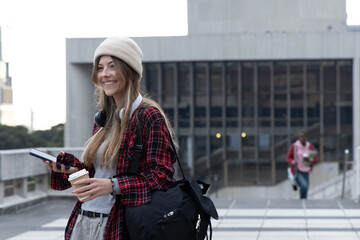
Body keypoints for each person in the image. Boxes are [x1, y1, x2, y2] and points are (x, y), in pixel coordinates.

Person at [43, 36, 177, 240]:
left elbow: (162, 175)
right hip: (83, 220)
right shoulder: (104, 118)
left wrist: (114, 185)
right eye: (100, 67)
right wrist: (73, 170)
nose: (104, 74)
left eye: (112, 66)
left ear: (129, 71)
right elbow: (99, 172)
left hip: (117, 225)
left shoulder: (149, 116)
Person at [286, 130, 319, 199]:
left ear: (306, 138)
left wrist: (310, 159)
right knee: (304, 186)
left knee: (305, 188)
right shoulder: (294, 146)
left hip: (306, 170)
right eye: (300, 137)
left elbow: (316, 159)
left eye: (303, 137)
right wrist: (293, 161)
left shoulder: (310, 146)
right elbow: (288, 158)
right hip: (297, 170)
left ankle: (303, 201)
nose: (302, 139)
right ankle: (302, 200)